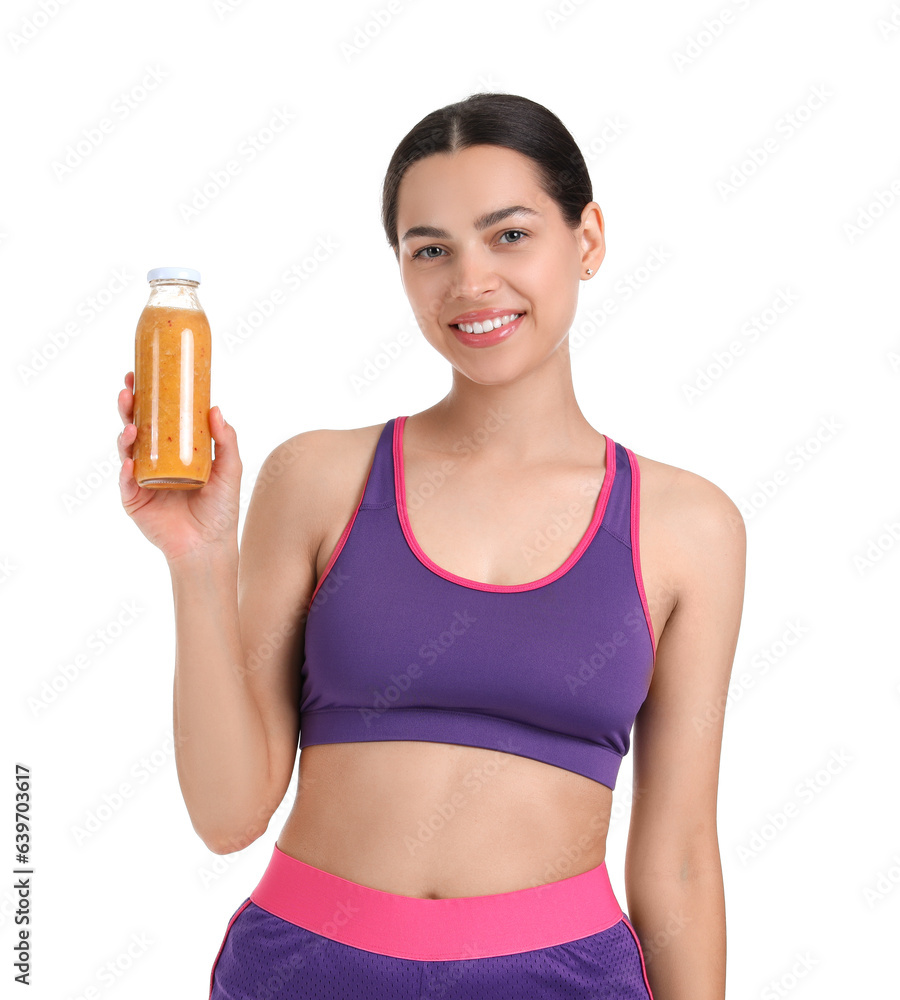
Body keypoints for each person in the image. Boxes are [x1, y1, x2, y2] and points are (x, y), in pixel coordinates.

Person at [117, 92, 745, 999]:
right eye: (431, 250)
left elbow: (679, 858)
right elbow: (227, 814)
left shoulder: (689, 527)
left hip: (561, 980)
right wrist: (197, 556)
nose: (471, 281)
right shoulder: (317, 480)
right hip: (303, 969)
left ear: (589, 239)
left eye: (511, 235)